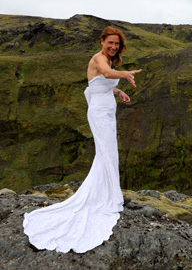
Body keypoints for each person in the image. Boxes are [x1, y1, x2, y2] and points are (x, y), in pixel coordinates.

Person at [23, 26, 142, 253]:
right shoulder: (98, 58)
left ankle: (108, 193)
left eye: (117, 44)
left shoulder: (106, 60)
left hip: (107, 110)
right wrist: (125, 75)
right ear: (102, 41)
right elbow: (106, 74)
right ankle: (109, 197)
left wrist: (119, 92)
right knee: (107, 152)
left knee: (108, 153)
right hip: (98, 113)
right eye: (110, 43)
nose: (114, 47)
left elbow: (102, 83)